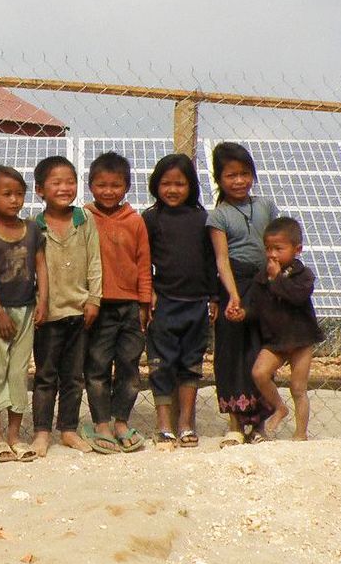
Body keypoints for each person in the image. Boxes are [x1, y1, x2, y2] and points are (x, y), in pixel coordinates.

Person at [0, 164, 45, 463]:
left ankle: (15, 436)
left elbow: (41, 265)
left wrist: (43, 299)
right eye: (6, 194)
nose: (14, 200)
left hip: (27, 308)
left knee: (18, 371)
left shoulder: (32, 231)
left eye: (19, 194)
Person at [29, 154, 101, 457]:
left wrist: (94, 299)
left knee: (73, 376)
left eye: (70, 182)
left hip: (79, 310)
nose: (64, 188)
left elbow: (95, 261)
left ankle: (68, 429)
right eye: (56, 182)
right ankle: (41, 432)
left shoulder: (85, 220)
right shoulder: (34, 226)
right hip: (47, 313)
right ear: (40, 190)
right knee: (46, 375)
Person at [142, 153, 215, 448]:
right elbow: (142, 259)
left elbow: (211, 262)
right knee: (161, 364)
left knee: (190, 364)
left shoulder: (203, 219)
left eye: (180, 184)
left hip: (196, 303)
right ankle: (163, 426)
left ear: (192, 187)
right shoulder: (150, 218)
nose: (172, 190)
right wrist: (148, 290)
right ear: (155, 186)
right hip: (164, 303)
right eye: (166, 183)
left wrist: (214, 297)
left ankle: (185, 423)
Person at [207, 141, 277, 444]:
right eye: (231, 175)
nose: (239, 181)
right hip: (232, 285)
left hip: (265, 287)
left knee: (260, 351)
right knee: (231, 352)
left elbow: (275, 245)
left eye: (245, 173)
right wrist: (233, 296)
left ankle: (260, 425)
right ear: (219, 179)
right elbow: (222, 259)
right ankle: (235, 423)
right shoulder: (218, 216)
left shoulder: (266, 206)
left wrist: (276, 277)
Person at [83, 151, 151, 453]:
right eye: (101, 185)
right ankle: (100, 423)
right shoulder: (83, 219)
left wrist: (144, 302)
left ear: (126, 188)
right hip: (97, 304)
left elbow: (143, 263)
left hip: (130, 306)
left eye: (115, 185)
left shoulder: (135, 221)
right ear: (90, 186)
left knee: (129, 366)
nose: (108, 191)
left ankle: (121, 420)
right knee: (96, 365)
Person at [249, 216, 323, 442]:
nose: (272, 254)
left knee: (298, 388)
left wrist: (276, 279)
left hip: (300, 339)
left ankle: (301, 434)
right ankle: (279, 407)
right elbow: (256, 306)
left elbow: (296, 296)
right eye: (268, 249)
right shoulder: (262, 278)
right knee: (259, 373)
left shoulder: (303, 276)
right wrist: (241, 312)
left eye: (278, 249)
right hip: (276, 340)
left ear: (296, 249)